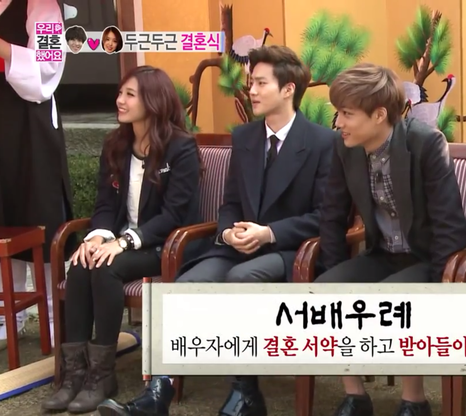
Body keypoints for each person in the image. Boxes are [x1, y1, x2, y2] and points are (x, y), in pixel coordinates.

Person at [97, 45, 337, 416]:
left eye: (261, 83)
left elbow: (325, 216)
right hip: (236, 246)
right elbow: (230, 204)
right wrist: (226, 233)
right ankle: (157, 393)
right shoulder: (245, 137)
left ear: (288, 89)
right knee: (182, 287)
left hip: (290, 250)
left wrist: (268, 233)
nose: (251, 90)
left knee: (242, 278)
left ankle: (245, 393)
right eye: (251, 82)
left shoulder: (323, 142)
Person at [41, 65, 204, 414]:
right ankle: (74, 375)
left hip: (167, 245)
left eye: (130, 94)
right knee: (82, 264)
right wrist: (98, 237)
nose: (119, 100)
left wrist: (125, 241)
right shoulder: (115, 144)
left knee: (107, 267)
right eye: (120, 93)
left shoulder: (181, 147)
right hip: (122, 241)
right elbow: (104, 205)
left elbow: (174, 215)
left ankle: (102, 376)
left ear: (154, 100)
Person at [316, 63, 466, 416]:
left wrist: (441, 288)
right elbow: (332, 215)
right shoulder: (345, 148)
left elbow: (449, 224)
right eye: (338, 113)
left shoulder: (424, 143)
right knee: (322, 293)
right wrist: (335, 276)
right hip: (382, 253)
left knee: (395, 299)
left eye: (347, 114)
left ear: (379, 114)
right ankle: (355, 397)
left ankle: (414, 401)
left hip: (427, 256)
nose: (338, 122)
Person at [0, 0, 73, 350]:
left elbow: (48, 67)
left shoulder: (44, 5)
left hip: (29, 121)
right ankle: (6, 319)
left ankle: (53, 316)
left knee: (40, 214)